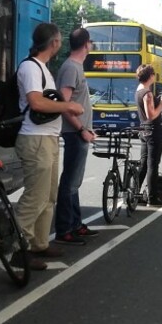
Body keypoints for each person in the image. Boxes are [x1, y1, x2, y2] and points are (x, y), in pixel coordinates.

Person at [14, 22, 84, 270]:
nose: (61, 44)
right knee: (35, 196)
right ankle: (17, 248)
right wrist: (68, 106)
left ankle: (39, 243)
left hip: (48, 138)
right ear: (53, 42)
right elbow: (36, 103)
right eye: (59, 40)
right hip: (36, 139)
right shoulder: (31, 68)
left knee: (49, 197)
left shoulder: (43, 67)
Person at [54, 28, 98, 245]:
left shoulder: (75, 67)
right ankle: (64, 229)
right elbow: (64, 104)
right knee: (69, 182)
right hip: (74, 133)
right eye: (91, 43)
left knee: (74, 182)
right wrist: (81, 129)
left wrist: (87, 128)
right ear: (86, 44)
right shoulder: (71, 68)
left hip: (80, 132)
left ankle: (75, 224)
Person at [136, 64, 162, 206]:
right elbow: (151, 115)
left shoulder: (139, 90)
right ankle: (152, 197)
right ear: (150, 76)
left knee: (143, 164)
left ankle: (135, 193)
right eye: (154, 74)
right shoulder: (147, 93)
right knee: (152, 165)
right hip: (153, 130)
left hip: (143, 129)